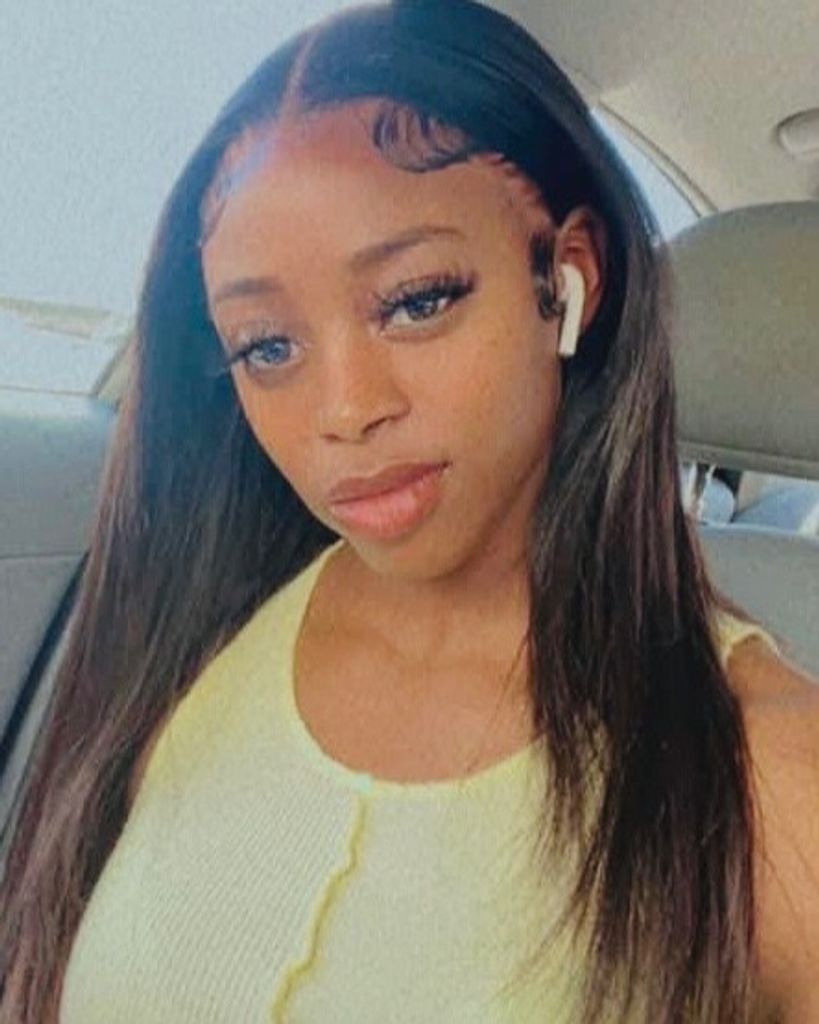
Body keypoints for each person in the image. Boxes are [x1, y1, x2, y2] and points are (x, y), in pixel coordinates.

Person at [1, 1, 817, 1021]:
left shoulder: (770, 781)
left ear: (570, 278)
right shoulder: (182, 641)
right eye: (266, 346)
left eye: (418, 299)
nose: (344, 411)